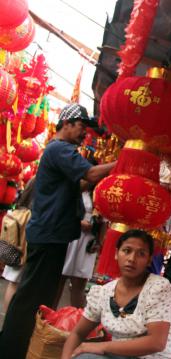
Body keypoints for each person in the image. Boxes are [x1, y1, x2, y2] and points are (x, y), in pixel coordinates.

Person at [0, 103, 116, 359]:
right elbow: (90, 173)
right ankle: (11, 348)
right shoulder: (61, 149)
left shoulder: (60, 151)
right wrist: (121, 163)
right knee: (32, 297)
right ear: (66, 124)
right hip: (49, 234)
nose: (84, 134)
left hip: (53, 233)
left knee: (38, 296)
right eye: (81, 127)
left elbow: (84, 181)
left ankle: (20, 345)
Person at [61, 230, 171, 359]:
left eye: (141, 254)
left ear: (149, 260)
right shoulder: (103, 292)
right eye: (127, 251)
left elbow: (157, 343)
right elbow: (78, 333)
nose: (132, 259)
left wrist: (101, 346)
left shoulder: (158, 288)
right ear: (117, 253)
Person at [55, 180, 101, 309]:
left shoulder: (100, 194)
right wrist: (79, 223)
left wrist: (99, 241)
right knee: (59, 280)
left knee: (79, 284)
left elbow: (104, 221)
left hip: (88, 241)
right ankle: (48, 317)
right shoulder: (72, 189)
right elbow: (61, 210)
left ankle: (75, 323)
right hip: (70, 235)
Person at [1, 176, 36, 311]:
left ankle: (7, 317)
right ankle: (10, 317)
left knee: (12, 283)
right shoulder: (31, 214)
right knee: (16, 284)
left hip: (13, 249)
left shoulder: (20, 209)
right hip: (22, 249)